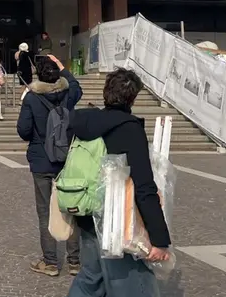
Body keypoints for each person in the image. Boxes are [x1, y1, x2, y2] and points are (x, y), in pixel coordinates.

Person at [67, 68, 171, 297]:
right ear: (132, 97)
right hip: (117, 221)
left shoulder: (84, 122)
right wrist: (159, 238)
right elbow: (144, 186)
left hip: (86, 210)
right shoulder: (129, 128)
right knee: (134, 284)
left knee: (91, 278)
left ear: (106, 92)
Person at [17, 55, 84, 278]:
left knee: (45, 211)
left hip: (42, 160)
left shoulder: (32, 98)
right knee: (71, 208)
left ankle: (51, 262)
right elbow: (76, 86)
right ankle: (75, 262)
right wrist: (63, 67)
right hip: (67, 159)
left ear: (38, 75)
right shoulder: (68, 93)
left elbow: (23, 131)